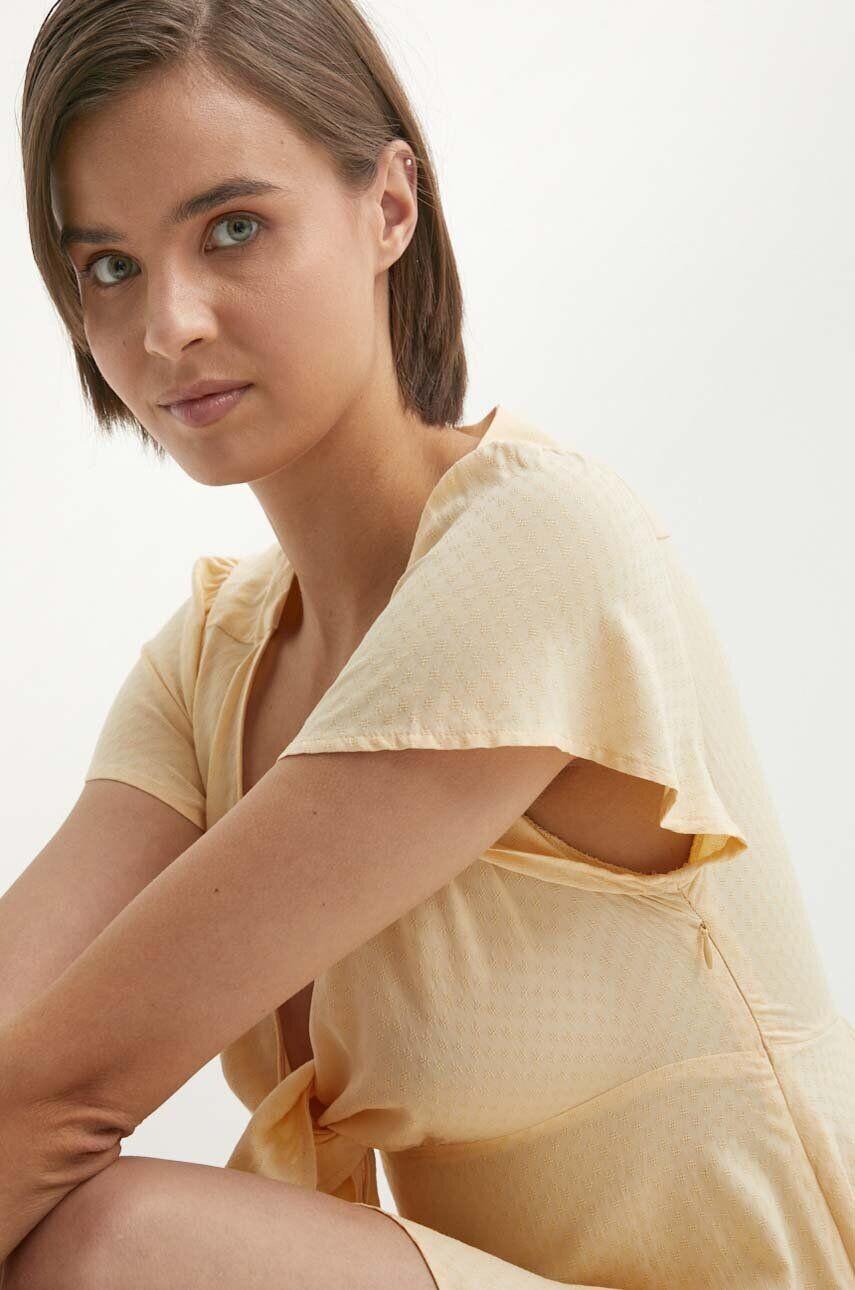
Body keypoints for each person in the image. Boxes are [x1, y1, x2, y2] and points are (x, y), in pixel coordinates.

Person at [2, 2, 852, 1287]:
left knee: (114, 1247)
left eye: (233, 228)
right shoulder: (214, 659)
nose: (167, 324)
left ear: (389, 205)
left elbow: (59, 1095)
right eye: (110, 266)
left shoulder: (536, 549)